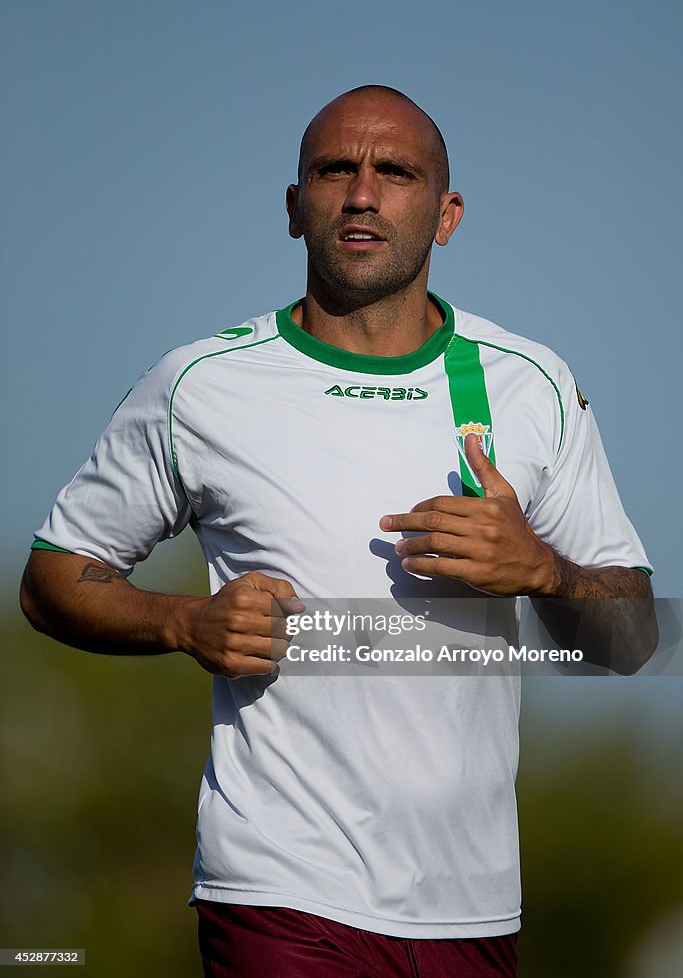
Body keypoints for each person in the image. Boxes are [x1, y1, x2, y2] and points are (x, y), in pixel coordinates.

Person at [21, 85, 657, 977]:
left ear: (446, 215)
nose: (361, 193)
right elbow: (52, 579)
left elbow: (633, 636)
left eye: (394, 172)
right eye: (334, 170)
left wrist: (542, 571)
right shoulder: (199, 383)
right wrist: (181, 624)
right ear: (294, 208)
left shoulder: (530, 384)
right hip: (277, 891)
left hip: (470, 905)